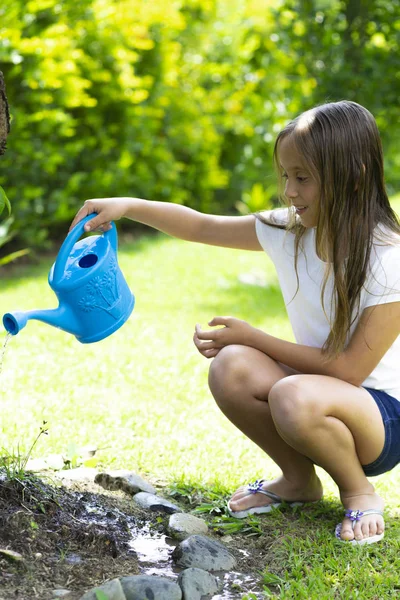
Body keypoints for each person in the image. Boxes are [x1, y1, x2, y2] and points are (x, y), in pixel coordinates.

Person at [70, 100, 400, 546]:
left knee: (287, 389)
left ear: (354, 174)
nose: (289, 190)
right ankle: (299, 481)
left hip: (380, 417)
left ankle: (359, 490)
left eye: (302, 177)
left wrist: (255, 337)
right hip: (311, 392)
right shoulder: (291, 231)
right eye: (285, 175)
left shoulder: (388, 258)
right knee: (231, 366)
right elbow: (202, 227)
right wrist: (128, 205)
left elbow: (348, 372)